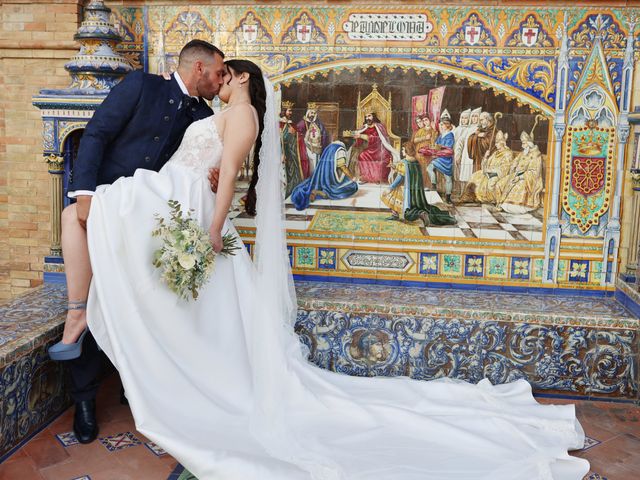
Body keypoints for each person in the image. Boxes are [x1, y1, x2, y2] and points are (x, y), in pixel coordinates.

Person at [52, 59, 588, 479]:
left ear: (236, 78)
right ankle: (97, 323)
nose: (214, 81)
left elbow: (232, 170)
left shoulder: (240, 114)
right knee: (103, 234)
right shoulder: (211, 112)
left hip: (191, 216)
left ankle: (96, 324)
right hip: (178, 204)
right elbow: (212, 164)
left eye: (223, 74)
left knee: (90, 220)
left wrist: (214, 228)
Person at [47, 39, 226, 444]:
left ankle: (139, 387)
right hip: (107, 206)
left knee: (143, 301)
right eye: (217, 73)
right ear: (198, 67)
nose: (219, 82)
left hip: (152, 219)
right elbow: (95, 135)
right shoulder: (141, 86)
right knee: (94, 294)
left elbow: (193, 166)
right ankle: (86, 402)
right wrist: (85, 198)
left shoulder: (203, 115)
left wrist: (210, 176)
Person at [381, 141, 456, 226]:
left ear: (407, 151)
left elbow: (400, 178)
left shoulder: (404, 163)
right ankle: (417, 212)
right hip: (417, 193)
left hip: (408, 191)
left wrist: (390, 187)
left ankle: (420, 214)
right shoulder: (415, 162)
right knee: (413, 204)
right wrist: (395, 167)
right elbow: (408, 173)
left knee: (401, 206)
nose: (402, 151)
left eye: (403, 150)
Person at [290, 140, 358, 210]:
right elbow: (343, 167)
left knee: (346, 181)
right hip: (331, 179)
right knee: (352, 186)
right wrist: (353, 178)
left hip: (322, 175)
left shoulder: (331, 146)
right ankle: (320, 192)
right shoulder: (340, 150)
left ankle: (319, 191)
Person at [496, 131, 545, 214]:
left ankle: (516, 206)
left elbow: (534, 173)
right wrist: (513, 167)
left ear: (530, 143)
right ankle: (500, 203)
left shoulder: (536, 155)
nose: (523, 145)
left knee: (518, 185)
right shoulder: (523, 153)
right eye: (522, 142)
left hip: (529, 179)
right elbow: (514, 163)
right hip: (516, 175)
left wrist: (520, 177)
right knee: (500, 183)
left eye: (524, 143)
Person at [459, 131, 514, 204]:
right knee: (475, 175)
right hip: (489, 172)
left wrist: (490, 171)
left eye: (497, 143)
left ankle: (487, 199)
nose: (495, 144)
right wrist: (485, 157)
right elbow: (485, 165)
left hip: (498, 175)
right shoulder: (495, 153)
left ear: (503, 143)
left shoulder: (508, 154)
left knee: (490, 183)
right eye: (495, 142)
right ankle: (470, 196)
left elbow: (505, 169)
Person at [352, 111, 398, 183]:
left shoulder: (379, 126)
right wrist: (357, 137)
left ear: (374, 116)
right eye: (366, 117)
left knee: (384, 159)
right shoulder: (365, 127)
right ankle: (365, 177)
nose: (367, 118)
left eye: (369, 116)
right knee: (361, 156)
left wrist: (363, 136)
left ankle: (377, 179)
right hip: (370, 149)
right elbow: (359, 140)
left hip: (380, 149)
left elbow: (379, 139)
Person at [422, 110, 456, 204]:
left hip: (446, 159)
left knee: (448, 178)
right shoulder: (441, 135)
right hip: (439, 158)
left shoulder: (450, 135)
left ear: (448, 125)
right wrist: (432, 148)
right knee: (429, 168)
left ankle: (448, 197)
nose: (440, 126)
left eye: (442, 124)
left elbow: (448, 149)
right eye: (440, 124)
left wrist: (438, 150)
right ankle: (433, 185)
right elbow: (436, 144)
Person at [295, 103, 330, 177]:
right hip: (306, 148)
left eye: (314, 113)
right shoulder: (302, 123)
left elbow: (323, 133)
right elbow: (298, 134)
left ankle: (315, 178)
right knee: (310, 164)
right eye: (311, 112)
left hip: (317, 148)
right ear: (308, 113)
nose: (312, 115)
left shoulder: (318, 123)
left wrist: (322, 143)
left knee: (316, 163)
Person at [280, 100, 304, 197]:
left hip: (290, 152)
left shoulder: (291, 124)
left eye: (291, 111)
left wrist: (295, 134)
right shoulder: (279, 124)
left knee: (291, 172)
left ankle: (290, 191)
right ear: (284, 111)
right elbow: (276, 141)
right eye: (289, 110)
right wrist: (281, 154)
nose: (291, 113)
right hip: (281, 152)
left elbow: (297, 138)